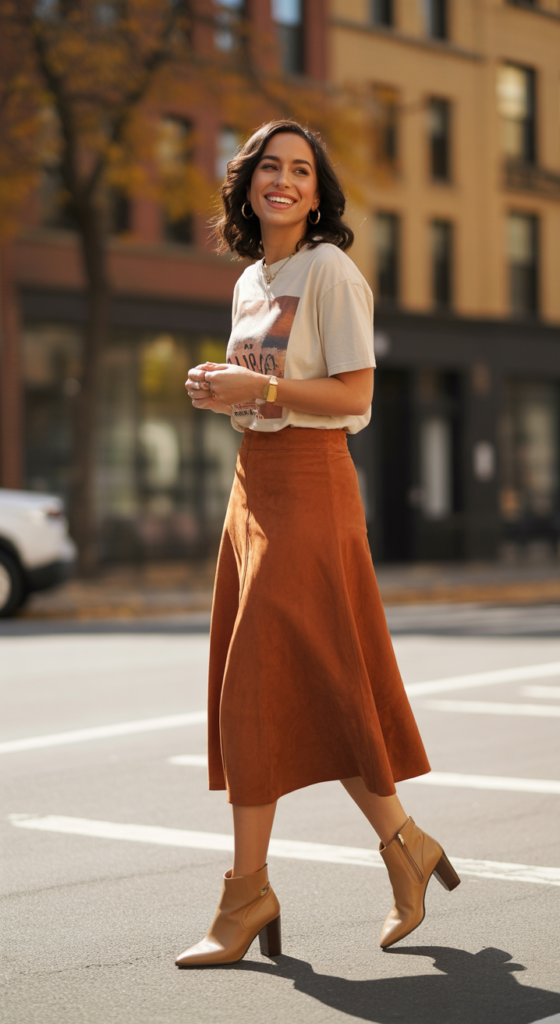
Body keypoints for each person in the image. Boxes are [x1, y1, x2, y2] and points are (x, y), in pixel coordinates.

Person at [176, 120, 460, 969]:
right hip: (252, 484)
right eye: (272, 166)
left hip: (311, 487)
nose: (286, 181)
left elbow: (353, 396)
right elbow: (262, 395)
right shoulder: (249, 281)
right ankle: (406, 846)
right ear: (248, 182)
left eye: (301, 170)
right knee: (313, 685)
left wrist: (256, 383)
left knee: (254, 691)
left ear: (317, 189)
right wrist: (220, 392)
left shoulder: (329, 271)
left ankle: (245, 892)